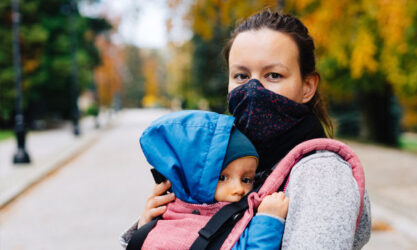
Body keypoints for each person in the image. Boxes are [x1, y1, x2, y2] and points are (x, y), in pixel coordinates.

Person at [123, 10, 371, 249]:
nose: (253, 89)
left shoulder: (321, 174)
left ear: (307, 86)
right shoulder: (227, 158)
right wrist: (152, 229)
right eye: (241, 76)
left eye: (273, 75)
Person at [123, 110, 289, 249]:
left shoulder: (240, 212)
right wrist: (269, 221)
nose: (239, 189)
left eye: (247, 180)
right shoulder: (170, 233)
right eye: (222, 177)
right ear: (191, 179)